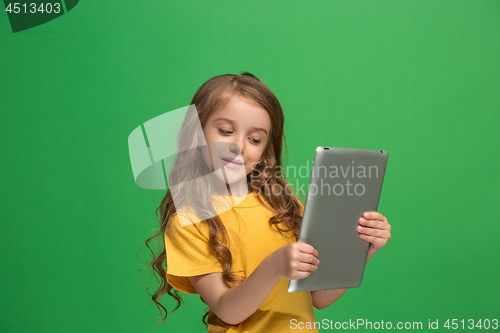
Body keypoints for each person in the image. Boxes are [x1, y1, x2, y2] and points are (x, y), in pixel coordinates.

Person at [146, 72, 391, 332]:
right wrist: (274, 266)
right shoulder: (190, 222)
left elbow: (319, 298)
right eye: (226, 131)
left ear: (265, 149)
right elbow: (228, 311)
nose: (239, 146)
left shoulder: (286, 207)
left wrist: (362, 248)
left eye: (254, 139)